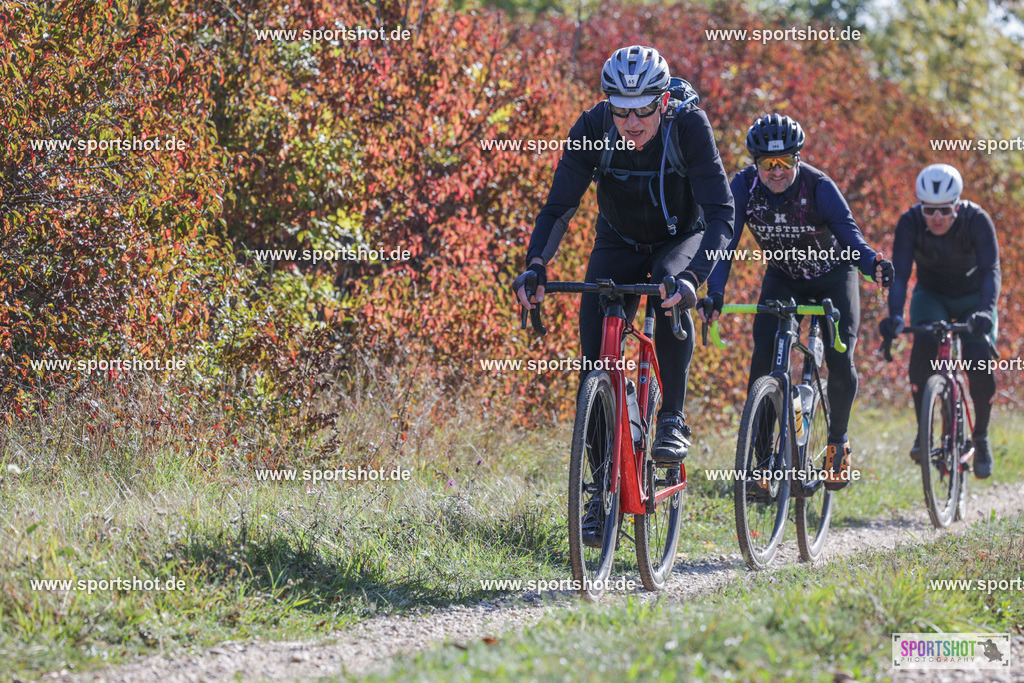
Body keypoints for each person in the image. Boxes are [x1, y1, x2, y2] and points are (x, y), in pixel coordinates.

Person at [513, 45, 734, 544]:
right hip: (617, 241)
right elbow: (558, 209)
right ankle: (598, 496)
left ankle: (672, 417)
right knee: (595, 369)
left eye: (642, 108)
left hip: (681, 239)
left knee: (669, 296)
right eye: (620, 108)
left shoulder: (688, 127)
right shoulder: (593, 129)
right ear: (607, 103)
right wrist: (535, 266)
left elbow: (721, 213)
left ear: (663, 101)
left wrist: (693, 279)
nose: (631, 121)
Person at [701, 114, 894, 491]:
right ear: (755, 163)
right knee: (763, 364)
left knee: (840, 360)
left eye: (785, 162)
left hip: (834, 278)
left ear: (798, 159)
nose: (776, 171)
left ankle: (837, 440)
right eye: (767, 163)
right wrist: (716, 293)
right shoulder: (742, 186)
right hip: (784, 277)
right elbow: (725, 242)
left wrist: (873, 264)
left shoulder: (818, 187)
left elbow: (851, 239)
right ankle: (762, 465)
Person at [878, 163, 1000, 478]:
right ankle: (923, 431)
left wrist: (986, 311)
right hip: (932, 295)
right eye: (929, 210)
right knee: (923, 350)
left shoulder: (977, 221)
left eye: (944, 210)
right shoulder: (910, 222)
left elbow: (991, 271)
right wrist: (894, 316)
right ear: (921, 206)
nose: (937, 218)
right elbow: (901, 274)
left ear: (957, 206)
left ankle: (981, 435)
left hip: (975, 297)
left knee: (978, 364)